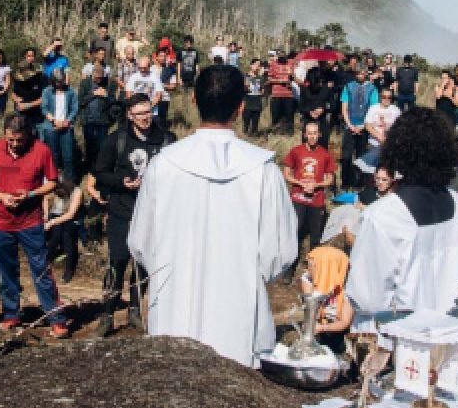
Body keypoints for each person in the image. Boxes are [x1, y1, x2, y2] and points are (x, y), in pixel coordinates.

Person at [128, 64, 296, 367]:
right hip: (239, 322)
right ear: (242, 106)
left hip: (173, 312)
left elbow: (141, 243)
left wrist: (174, 272)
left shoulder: (163, 165)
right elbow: (280, 254)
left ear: (193, 101)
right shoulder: (263, 171)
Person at [346, 106, 458, 322]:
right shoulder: (455, 203)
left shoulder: (383, 214)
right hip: (452, 330)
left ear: (397, 151)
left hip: (405, 340)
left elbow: (366, 297)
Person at [0, 113, 67, 335]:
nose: (15, 144)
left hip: (30, 220)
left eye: (19, 140)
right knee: (6, 270)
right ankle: (11, 314)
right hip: (0, 220)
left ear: (28, 135)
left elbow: (53, 181)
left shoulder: (41, 150)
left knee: (41, 268)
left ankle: (55, 316)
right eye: (11, 140)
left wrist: (31, 193)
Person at [94, 93, 175, 337]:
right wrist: (122, 181)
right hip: (122, 210)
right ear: (130, 115)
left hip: (153, 213)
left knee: (143, 264)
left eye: (148, 112)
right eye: (139, 114)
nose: (144, 118)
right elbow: (100, 173)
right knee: (117, 261)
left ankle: (135, 309)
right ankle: (107, 314)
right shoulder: (116, 140)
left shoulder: (167, 140)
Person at [283, 121, 336, 273]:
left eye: (315, 133)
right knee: (296, 230)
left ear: (319, 134)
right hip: (298, 197)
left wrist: (316, 185)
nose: (312, 136)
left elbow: (330, 179)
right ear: (305, 134)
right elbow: (286, 173)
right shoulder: (296, 151)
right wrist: (300, 182)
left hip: (316, 199)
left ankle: (313, 268)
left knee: (315, 234)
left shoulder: (325, 154)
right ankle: (289, 268)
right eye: (309, 133)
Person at [299, 243, 354, 354]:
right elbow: (313, 312)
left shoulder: (349, 288)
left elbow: (345, 322)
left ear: (326, 267)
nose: (307, 269)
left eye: (311, 265)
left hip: (343, 333)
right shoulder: (308, 278)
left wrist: (322, 328)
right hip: (320, 327)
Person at [340, 65, 378, 189]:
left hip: (365, 127)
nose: (360, 76)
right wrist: (350, 125)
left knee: (361, 156)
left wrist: (362, 126)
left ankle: (360, 183)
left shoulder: (372, 88)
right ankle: (346, 182)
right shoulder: (348, 86)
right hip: (349, 125)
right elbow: (344, 107)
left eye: (362, 73)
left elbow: (373, 109)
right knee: (346, 156)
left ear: (366, 73)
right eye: (357, 73)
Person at [41, 69, 78, 182]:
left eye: (61, 81)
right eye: (57, 81)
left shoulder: (71, 91)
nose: (59, 83)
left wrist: (68, 121)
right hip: (51, 127)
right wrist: (53, 120)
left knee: (68, 156)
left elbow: (74, 108)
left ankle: (69, 182)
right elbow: (44, 108)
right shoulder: (47, 91)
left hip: (66, 127)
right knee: (53, 155)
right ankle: (54, 181)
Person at [78, 64, 116, 172]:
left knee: (102, 144)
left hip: (102, 119)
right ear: (92, 74)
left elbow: (113, 102)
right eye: (96, 78)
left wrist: (106, 96)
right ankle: (89, 166)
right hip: (88, 119)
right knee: (89, 143)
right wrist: (93, 94)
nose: (99, 80)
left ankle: (101, 167)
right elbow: (81, 101)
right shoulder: (85, 83)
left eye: (101, 78)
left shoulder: (108, 84)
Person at [44, 177, 82, 283]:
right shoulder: (53, 187)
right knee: (55, 235)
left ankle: (69, 270)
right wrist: (46, 214)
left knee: (67, 237)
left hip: (70, 218)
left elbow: (71, 214)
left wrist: (52, 222)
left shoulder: (77, 191)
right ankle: (46, 262)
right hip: (55, 216)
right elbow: (45, 198)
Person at [11, 47, 46, 129]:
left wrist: (28, 105)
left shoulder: (40, 76)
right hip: (20, 112)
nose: (30, 58)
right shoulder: (18, 75)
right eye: (28, 56)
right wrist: (16, 99)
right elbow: (13, 93)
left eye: (32, 56)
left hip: (36, 114)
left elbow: (44, 97)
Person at [266, 50, 295, 135]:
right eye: (280, 55)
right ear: (277, 56)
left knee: (289, 115)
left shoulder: (290, 64)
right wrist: (280, 81)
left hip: (288, 94)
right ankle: (275, 132)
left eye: (283, 55)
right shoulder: (273, 64)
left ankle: (289, 132)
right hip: (276, 94)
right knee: (276, 115)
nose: (282, 57)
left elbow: (294, 77)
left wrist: (291, 75)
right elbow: (269, 79)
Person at [242, 58, 266, 137]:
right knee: (246, 123)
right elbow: (243, 89)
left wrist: (261, 92)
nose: (257, 67)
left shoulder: (261, 78)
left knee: (255, 124)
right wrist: (246, 86)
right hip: (247, 102)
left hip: (257, 103)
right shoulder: (245, 76)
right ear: (251, 65)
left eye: (259, 65)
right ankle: (245, 137)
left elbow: (263, 91)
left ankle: (254, 137)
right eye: (256, 65)